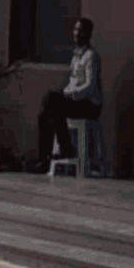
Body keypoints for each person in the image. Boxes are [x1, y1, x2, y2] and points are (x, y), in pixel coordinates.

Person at [36, 16, 102, 177]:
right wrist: (64, 93)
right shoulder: (76, 56)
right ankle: (44, 158)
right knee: (44, 114)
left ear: (88, 34)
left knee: (52, 101)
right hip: (75, 100)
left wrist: (69, 95)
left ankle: (66, 149)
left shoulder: (91, 56)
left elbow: (90, 86)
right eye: (75, 29)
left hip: (89, 105)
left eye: (80, 30)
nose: (76, 33)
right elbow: (73, 82)